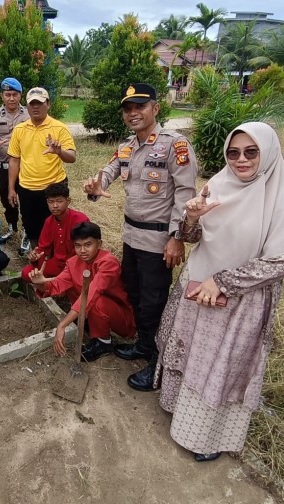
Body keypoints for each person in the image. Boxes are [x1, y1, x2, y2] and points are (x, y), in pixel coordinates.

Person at [155, 122, 284, 462]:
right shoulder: (218, 184)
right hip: (197, 288)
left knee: (219, 367)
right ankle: (178, 411)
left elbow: (283, 262)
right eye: (233, 152)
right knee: (191, 356)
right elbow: (194, 237)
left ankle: (206, 438)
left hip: (239, 303)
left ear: (268, 152)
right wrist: (191, 220)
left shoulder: (281, 199)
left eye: (250, 152)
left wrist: (224, 281)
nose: (240, 160)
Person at [83, 83, 197, 392]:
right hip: (131, 236)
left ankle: (157, 363)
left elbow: (186, 195)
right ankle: (145, 345)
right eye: (127, 108)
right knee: (134, 292)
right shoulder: (127, 147)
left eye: (140, 106)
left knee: (153, 302)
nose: (133, 113)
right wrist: (96, 185)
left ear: (155, 109)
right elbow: (109, 171)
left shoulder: (175, 145)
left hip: (159, 241)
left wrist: (177, 237)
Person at [29, 222, 136, 362]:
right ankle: (89, 323)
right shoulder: (73, 262)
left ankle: (104, 342)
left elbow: (93, 292)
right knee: (73, 287)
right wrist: (41, 284)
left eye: (88, 244)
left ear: (99, 244)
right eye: (78, 245)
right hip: (91, 312)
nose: (82, 250)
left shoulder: (108, 262)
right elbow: (56, 285)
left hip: (121, 319)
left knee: (96, 300)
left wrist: (62, 325)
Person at [7, 87, 76, 256]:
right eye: (32, 104)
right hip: (27, 187)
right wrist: (11, 188)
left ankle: (57, 257)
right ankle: (38, 255)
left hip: (53, 186)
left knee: (55, 223)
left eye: (40, 103)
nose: (35, 107)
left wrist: (59, 151)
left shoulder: (59, 128)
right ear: (27, 106)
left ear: (48, 104)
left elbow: (72, 156)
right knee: (31, 225)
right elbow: (14, 159)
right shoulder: (20, 129)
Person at [0, 77, 28, 243]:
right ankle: (12, 225)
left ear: (20, 96)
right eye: (7, 94)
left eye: (14, 94)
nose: (11, 98)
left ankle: (27, 230)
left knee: (26, 197)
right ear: (2, 96)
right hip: (4, 165)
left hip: (26, 166)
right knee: (7, 197)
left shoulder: (29, 114)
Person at [21, 183, 88, 283]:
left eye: (59, 201)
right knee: (27, 273)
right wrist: (35, 256)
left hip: (77, 265)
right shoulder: (49, 221)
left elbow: (87, 251)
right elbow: (43, 248)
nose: (55, 206)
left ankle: (57, 283)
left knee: (79, 281)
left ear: (68, 201)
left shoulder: (80, 220)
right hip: (57, 265)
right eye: (51, 202)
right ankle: (57, 283)